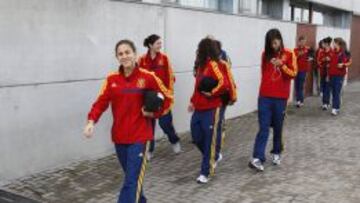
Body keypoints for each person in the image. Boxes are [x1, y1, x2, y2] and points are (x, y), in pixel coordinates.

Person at [83, 39, 173, 203]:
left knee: (131, 182)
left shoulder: (148, 77)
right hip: (120, 138)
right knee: (133, 179)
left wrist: (154, 113)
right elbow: (101, 102)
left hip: (140, 137)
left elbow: (168, 97)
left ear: (135, 54)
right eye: (120, 54)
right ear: (117, 57)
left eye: (127, 52)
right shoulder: (112, 80)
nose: (124, 56)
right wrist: (91, 121)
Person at [248, 29, 297, 172]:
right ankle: (258, 158)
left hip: (280, 98)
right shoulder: (265, 54)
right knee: (263, 127)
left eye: (275, 42)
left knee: (277, 127)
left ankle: (276, 151)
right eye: (271, 44)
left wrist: (282, 65)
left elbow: (293, 73)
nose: (274, 46)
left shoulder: (289, 54)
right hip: (264, 96)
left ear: (280, 40)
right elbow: (264, 73)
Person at [189, 38, 226, 184]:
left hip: (211, 109)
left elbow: (223, 83)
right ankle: (213, 155)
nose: (198, 52)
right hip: (198, 108)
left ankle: (205, 172)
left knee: (209, 139)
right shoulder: (199, 66)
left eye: (200, 49)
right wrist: (192, 101)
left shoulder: (213, 65)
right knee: (196, 137)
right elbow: (196, 87)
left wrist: (213, 93)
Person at [139, 34, 181, 159]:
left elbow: (171, 77)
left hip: (163, 97)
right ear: (150, 45)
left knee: (166, 124)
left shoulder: (164, 58)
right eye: (157, 43)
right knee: (149, 126)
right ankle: (149, 149)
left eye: (160, 43)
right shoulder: (141, 60)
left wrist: (169, 95)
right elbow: (139, 77)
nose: (160, 45)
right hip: (148, 99)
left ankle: (174, 141)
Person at [328, 37, 352, 116]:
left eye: (334, 43)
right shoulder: (332, 52)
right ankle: (337, 106)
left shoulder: (344, 53)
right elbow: (331, 63)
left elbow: (349, 62)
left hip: (339, 76)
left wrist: (343, 64)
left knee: (336, 91)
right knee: (333, 92)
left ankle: (334, 108)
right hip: (332, 75)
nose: (333, 44)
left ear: (338, 43)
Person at [294, 36, 310, 108]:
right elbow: (294, 58)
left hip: (303, 70)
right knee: (297, 86)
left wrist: (310, 56)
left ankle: (300, 101)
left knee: (301, 85)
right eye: (302, 42)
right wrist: (300, 54)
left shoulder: (308, 49)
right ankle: (299, 100)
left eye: (304, 42)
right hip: (296, 70)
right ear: (299, 42)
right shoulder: (295, 50)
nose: (303, 43)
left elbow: (312, 56)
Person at [317, 37, 333, 110]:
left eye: (323, 43)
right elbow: (318, 61)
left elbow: (335, 63)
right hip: (322, 72)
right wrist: (324, 60)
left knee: (327, 88)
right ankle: (325, 102)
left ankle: (325, 103)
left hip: (329, 73)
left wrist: (330, 61)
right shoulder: (321, 51)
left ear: (327, 44)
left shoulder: (332, 52)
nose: (322, 44)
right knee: (323, 87)